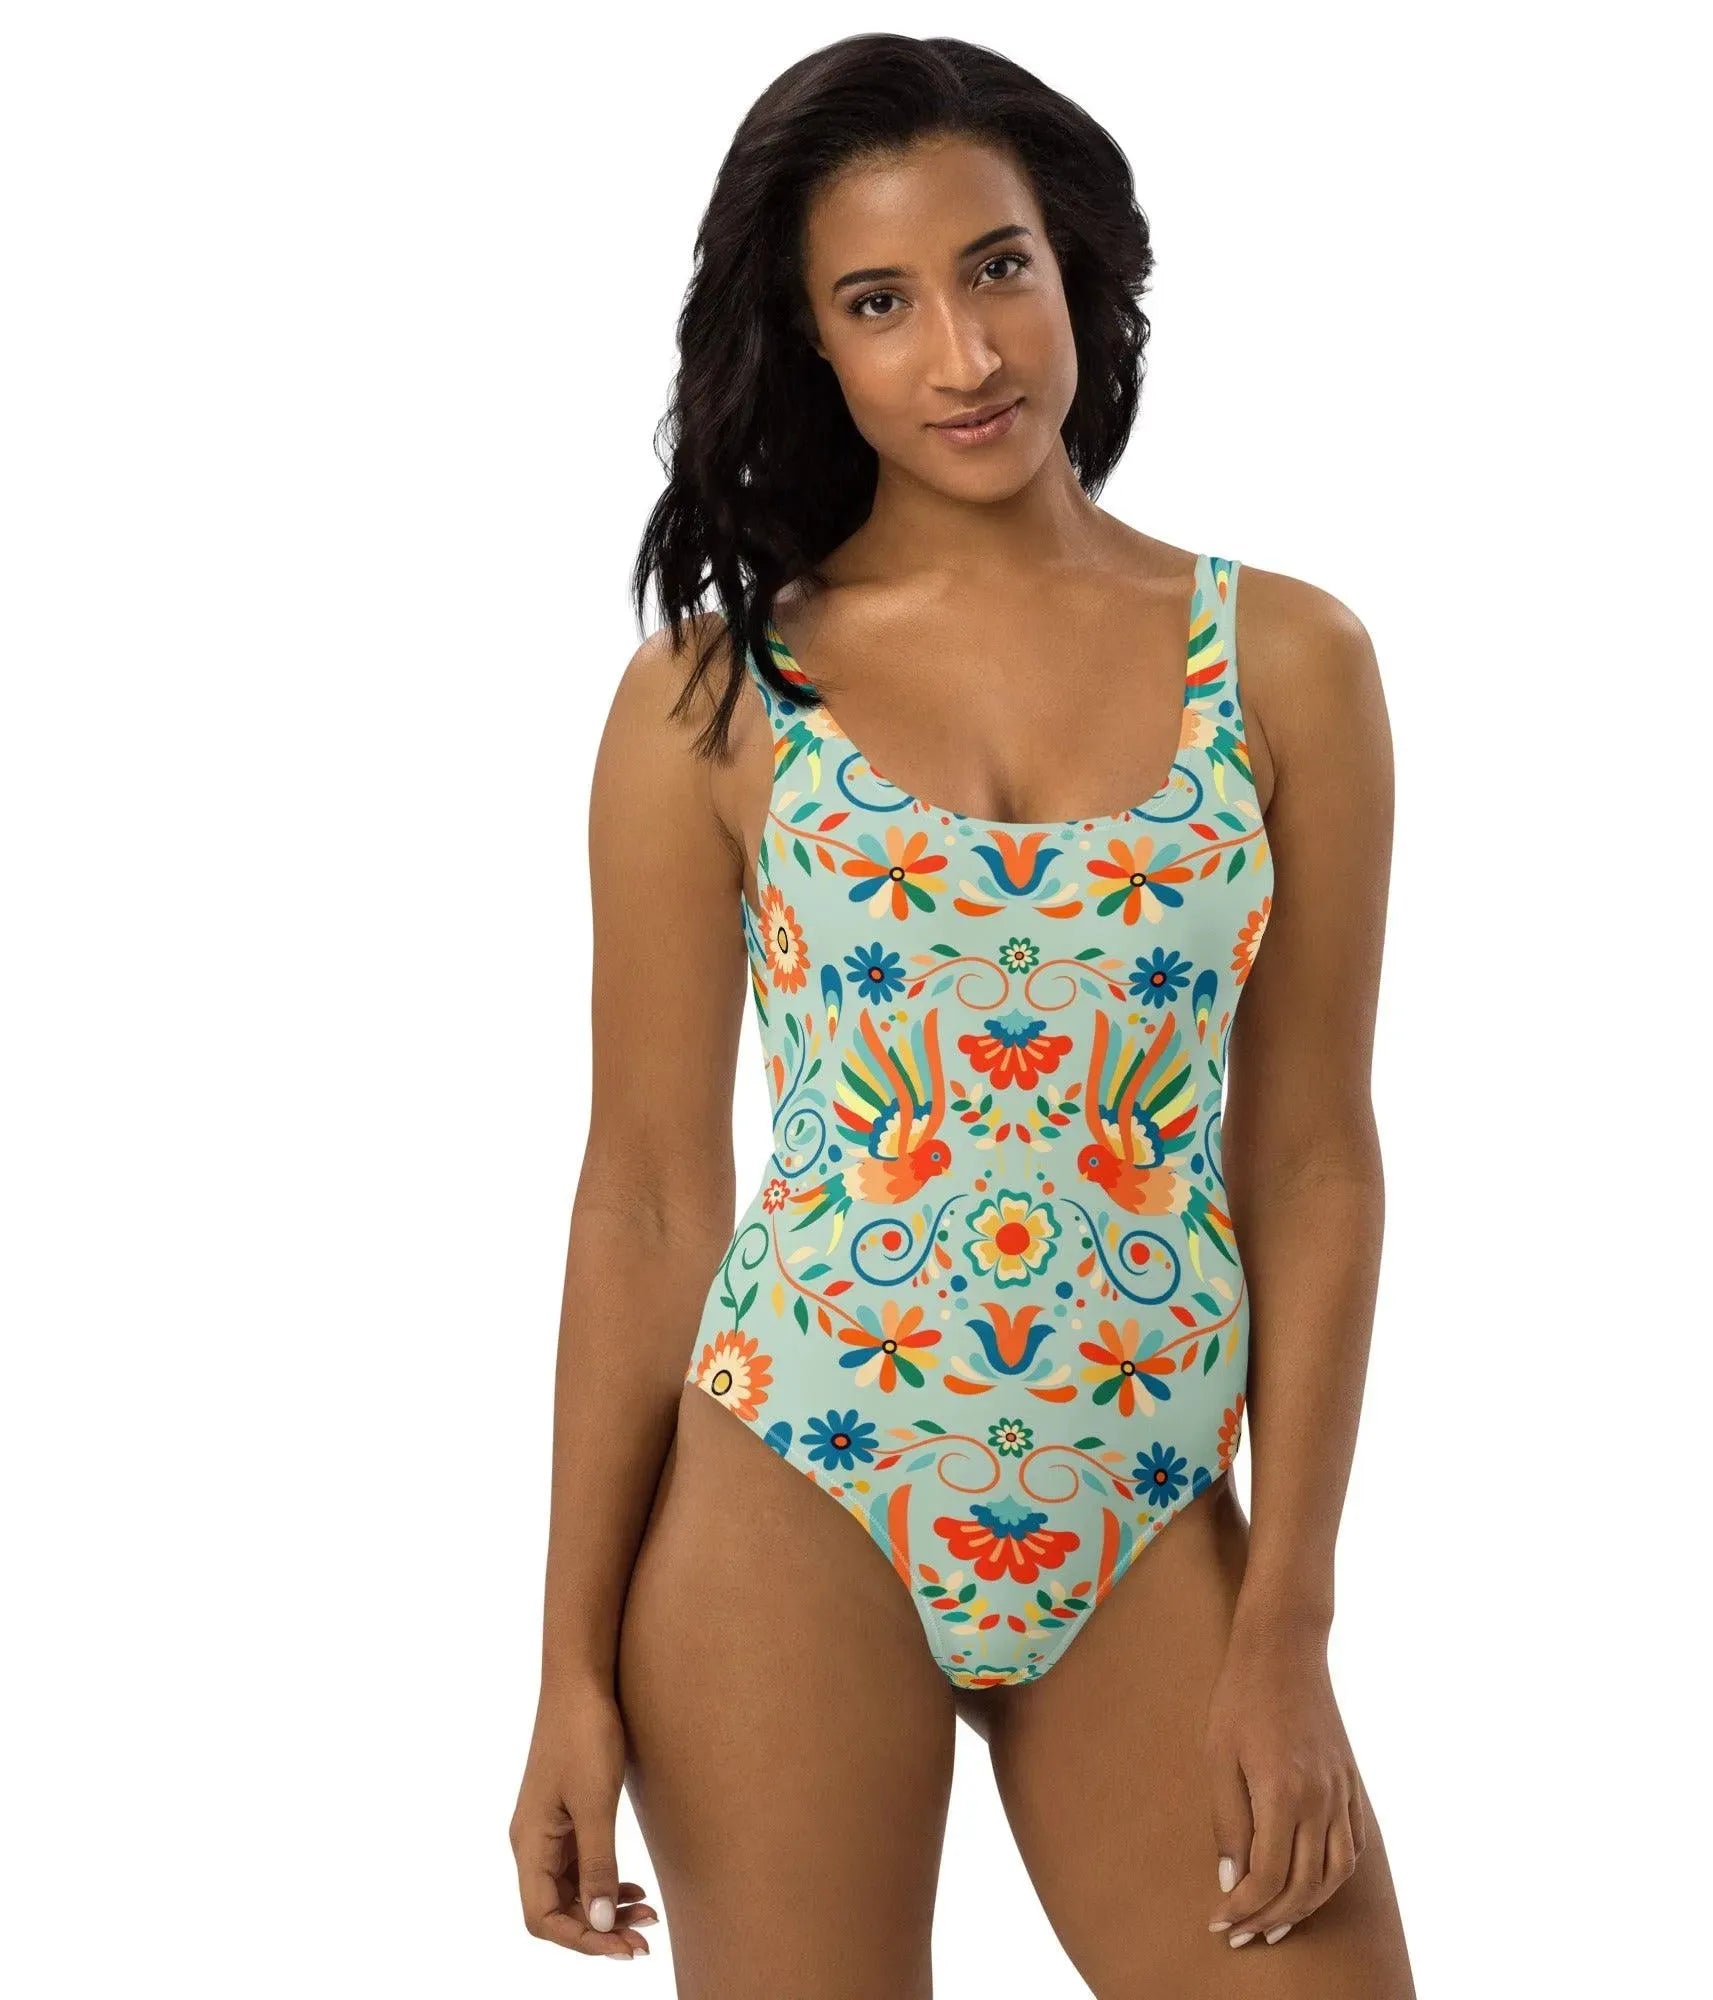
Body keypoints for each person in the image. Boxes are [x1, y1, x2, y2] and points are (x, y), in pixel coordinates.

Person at [510, 32, 1415, 1996]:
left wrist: (1288, 1622)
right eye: (880, 301)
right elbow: (647, 1195)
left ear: (1075, 264)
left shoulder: (1286, 662)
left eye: (997, 266)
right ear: (810, 343)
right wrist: (564, 1668)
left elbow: (1311, 1159)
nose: (967, 351)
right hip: (791, 1484)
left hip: (1146, 1497)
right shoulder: (711, 700)